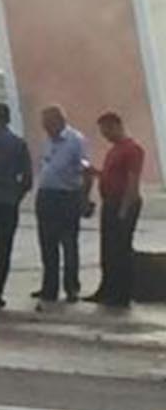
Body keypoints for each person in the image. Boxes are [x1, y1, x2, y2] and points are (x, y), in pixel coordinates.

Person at [85, 111, 146, 309]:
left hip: (123, 203)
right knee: (108, 249)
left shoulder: (132, 149)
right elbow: (110, 176)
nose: (105, 136)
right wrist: (95, 173)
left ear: (116, 126)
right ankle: (106, 289)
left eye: (106, 131)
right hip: (109, 202)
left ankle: (121, 294)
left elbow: (132, 182)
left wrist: (124, 209)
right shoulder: (114, 150)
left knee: (121, 250)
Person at [33, 104, 90, 304]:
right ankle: (49, 287)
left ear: (58, 121)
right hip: (47, 196)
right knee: (47, 244)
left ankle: (72, 287)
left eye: (47, 124)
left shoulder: (76, 140)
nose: (45, 128)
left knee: (69, 244)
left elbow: (85, 169)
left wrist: (84, 197)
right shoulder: (48, 140)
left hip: (67, 196)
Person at [0, 102, 31, 310]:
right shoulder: (18, 144)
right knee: (3, 249)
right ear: (8, 119)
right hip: (8, 200)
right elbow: (27, 178)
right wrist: (16, 195)